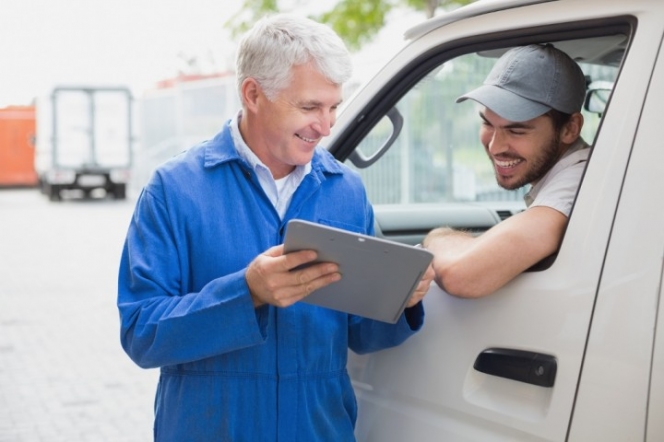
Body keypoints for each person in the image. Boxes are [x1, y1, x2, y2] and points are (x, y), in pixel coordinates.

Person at [117, 13, 433, 442]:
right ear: (253, 93)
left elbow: (363, 333)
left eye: (333, 106)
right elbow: (141, 332)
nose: (326, 126)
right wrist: (246, 294)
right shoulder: (174, 190)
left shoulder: (346, 190)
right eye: (309, 107)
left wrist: (403, 298)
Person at [423, 43, 589, 298]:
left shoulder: (577, 184)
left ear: (570, 128)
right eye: (487, 123)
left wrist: (437, 238)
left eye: (516, 130)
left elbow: (461, 275)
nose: (494, 146)